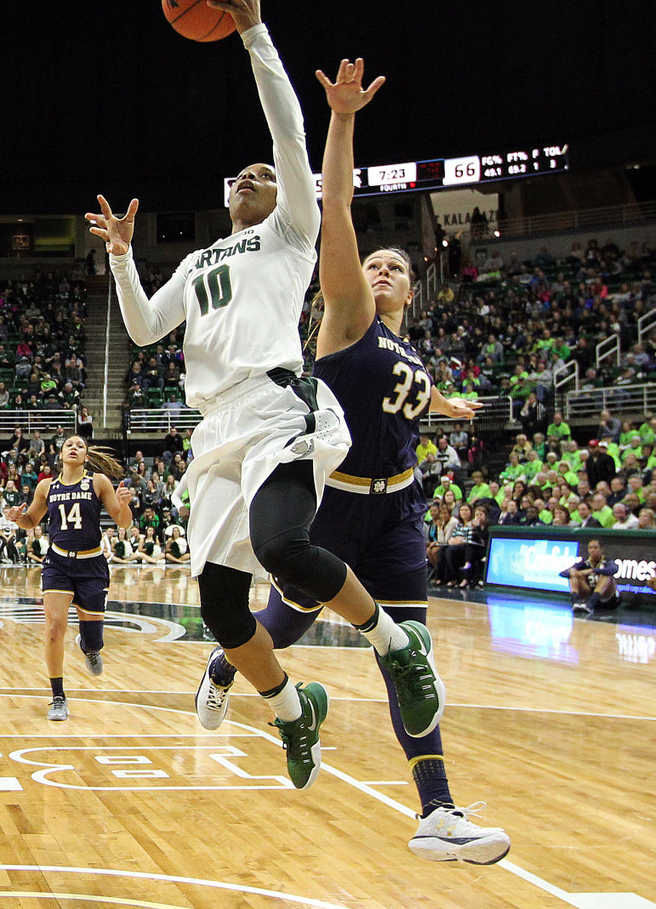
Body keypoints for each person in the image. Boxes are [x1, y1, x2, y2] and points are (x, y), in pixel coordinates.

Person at [87, 0, 445, 792]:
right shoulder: (201, 259)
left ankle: (396, 644)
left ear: (287, 193)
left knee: (286, 548)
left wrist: (255, 37)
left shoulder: (291, 232)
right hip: (213, 429)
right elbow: (142, 329)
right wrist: (118, 259)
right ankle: (293, 710)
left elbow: (288, 135)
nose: (252, 174)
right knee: (219, 608)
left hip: (277, 401)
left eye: (264, 171)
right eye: (239, 174)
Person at [191, 57, 509, 861]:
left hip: (399, 510)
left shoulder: (413, 353)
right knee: (279, 629)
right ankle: (228, 669)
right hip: (331, 503)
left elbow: (408, 394)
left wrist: (446, 405)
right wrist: (341, 120)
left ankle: (436, 811)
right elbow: (338, 218)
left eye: (396, 266)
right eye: (374, 264)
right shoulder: (349, 316)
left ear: (414, 287)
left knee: (412, 659)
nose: (381, 269)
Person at [5, 435, 132, 721]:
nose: (74, 448)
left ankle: (89, 647)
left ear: (86, 456)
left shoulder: (98, 482)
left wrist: (125, 504)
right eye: (69, 445)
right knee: (54, 627)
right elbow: (30, 522)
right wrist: (17, 517)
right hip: (58, 563)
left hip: (92, 566)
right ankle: (58, 697)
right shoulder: (46, 486)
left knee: (93, 641)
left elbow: (123, 522)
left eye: (80, 446)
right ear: (60, 455)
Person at [559, 537, 620, 614]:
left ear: (601, 550)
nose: (592, 550)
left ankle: (592, 602)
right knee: (573, 574)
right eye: (590, 548)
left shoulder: (607, 561)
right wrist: (574, 573)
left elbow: (614, 569)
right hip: (588, 594)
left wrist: (591, 570)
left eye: (595, 548)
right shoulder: (584, 562)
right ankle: (575, 601)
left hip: (607, 598)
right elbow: (562, 573)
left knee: (606, 575)